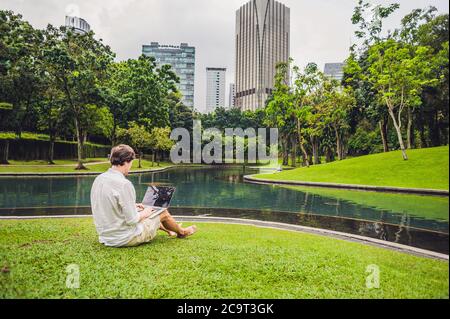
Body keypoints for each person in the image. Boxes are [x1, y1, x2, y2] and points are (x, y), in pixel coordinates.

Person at [90, 144, 197, 248]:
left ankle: (170, 230)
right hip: (124, 238)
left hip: (105, 237)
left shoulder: (99, 179)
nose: (131, 166)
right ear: (127, 161)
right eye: (132, 162)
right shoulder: (124, 184)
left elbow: (109, 203)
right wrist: (145, 212)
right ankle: (182, 232)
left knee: (149, 212)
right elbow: (132, 220)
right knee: (162, 212)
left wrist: (134, 206)